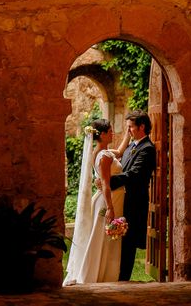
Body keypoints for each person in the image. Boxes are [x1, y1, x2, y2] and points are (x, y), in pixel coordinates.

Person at [63, 118, 131, 285]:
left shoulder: (101, 152)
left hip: (108, 198)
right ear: (102, 134)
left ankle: (101, 272)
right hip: (109, 199)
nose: (112, 133)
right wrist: (110, 208)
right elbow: (106, 185)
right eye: (109, 131)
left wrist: (128, 135)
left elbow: (121, 151)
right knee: (102, 238)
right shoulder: (105, 157)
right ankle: (96, 274)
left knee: (102, 237)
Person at [109, 110, 157, 281]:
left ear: (141, 127)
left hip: (134, 203)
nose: (128, 131)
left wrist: (109, 181)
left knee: (128, 244)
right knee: (119, 242)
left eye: (130, 127)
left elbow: (135, 174)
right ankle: (116, 276)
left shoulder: (148, 149)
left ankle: (123, 280)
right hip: (123, 200)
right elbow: (122, 166)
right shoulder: (131, 146)